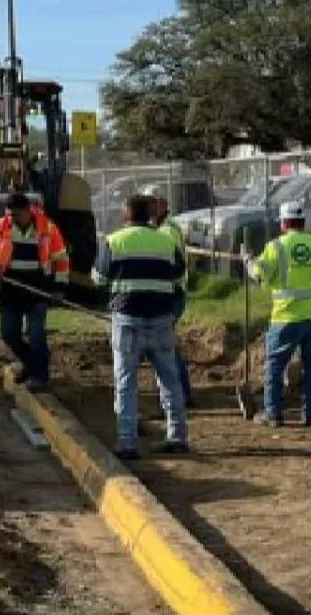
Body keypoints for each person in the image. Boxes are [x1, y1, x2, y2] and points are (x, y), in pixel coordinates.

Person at [95, 194, 188, 460]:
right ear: (149, 215)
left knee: (126, 381)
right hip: (161, 318)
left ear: (125, 215)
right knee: (169, 379)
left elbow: (99, 278)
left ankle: (127, 442)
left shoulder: (113, 241)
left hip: (127, 320)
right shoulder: (166, 242)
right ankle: (177, 436)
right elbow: (180, 277)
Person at [242, 200, 311, 428]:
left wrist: (247, 260)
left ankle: (273, 413)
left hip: (285, 318)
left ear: (284, 223)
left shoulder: (276, 247)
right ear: (303, 222)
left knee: (275, 366)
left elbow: (258, 275)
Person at [0, 192, 70, 392]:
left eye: (16, 215)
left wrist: (59, 287)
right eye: (10, 215)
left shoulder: (47, 228)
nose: (12, 219)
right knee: (8, 334)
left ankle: (39, 376)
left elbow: (61, 259)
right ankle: (31, 364)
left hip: (38, 288)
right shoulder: (0, 226)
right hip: (9, 288)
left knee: (36, 335)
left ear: (28, 211)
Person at [141, 184, 193, 407]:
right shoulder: (163, 227)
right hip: (169, 293)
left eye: (152, 203)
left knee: (166, 347)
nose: (149, 208)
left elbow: (170, 265)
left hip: (171, 295)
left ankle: (179, 395)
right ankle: (179, 394)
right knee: (165, 345)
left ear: (163, 204)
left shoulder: (167, 230)